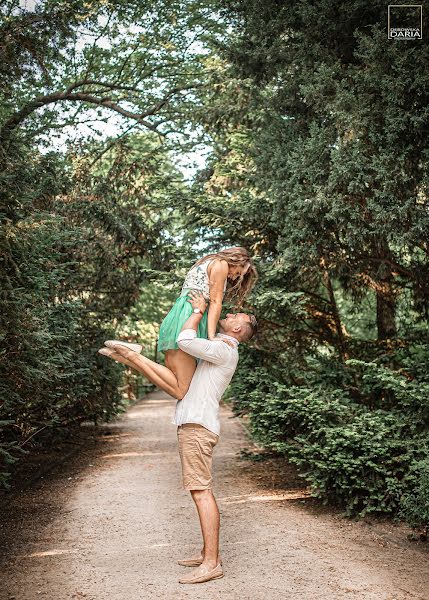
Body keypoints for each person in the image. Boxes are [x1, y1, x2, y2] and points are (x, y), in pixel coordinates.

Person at [100, 290, 258, 584]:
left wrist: (198, 310)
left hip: (198, 428)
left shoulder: (225, 350)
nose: (232, 313)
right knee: (199, 489)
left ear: (238, 329)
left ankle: (212, 563)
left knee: (201, 491)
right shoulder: (219, 346)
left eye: (238, 316)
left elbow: (184, 340)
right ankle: (206, 553)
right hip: (195, 425)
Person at [99, 246, 257, 401]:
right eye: (238, 273)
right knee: (182, 390)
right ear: (237, 261)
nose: (235, 277)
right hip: (190, 316)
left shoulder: (210, 260)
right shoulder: (221, 264)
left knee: (178, 383)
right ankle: (131, 354)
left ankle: (128, 356)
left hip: (182, 313)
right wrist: (211, 337)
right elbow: (216, 302)